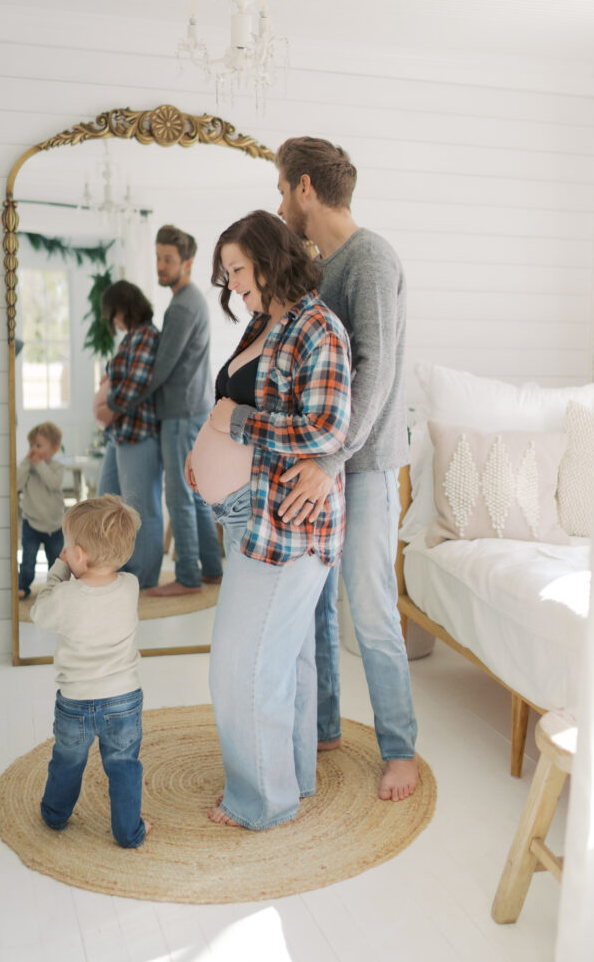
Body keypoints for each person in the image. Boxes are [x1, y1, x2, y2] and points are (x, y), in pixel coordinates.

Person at [186, 209, 351, 830]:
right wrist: (203, 446)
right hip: (248, 516)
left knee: (240, 666)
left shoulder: (318, 328)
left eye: (235, 268)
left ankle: (262, 802)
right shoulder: (263, 322)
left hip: (286, 523)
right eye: (224, 274)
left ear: (268, 255)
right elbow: (229, 398)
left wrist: (232, 425)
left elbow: (325, 429)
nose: (230, 284)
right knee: (286, 659)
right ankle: (295, 779)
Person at [275, 136, 419, 802]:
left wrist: (330, 461)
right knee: (316, 603)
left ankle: (400, 750)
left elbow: (377, 373)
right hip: (322, 467)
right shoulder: (318, 264)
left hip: (358, 468)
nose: (280, 201)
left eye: (282, 188)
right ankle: (325, 724)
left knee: (369, 607)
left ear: (306, 188)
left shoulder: (370, 258)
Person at [31, 494, 151, 849]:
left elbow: (40, 613)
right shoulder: (130, 587)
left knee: (67, 761)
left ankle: (55, 814)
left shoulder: (66, 597)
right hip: (124, 700)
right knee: (124, 765)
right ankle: (129, 832)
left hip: (76, 703)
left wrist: (58, 570)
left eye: (68, 547)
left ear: (78, 555)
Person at [141, 224, 224, 597]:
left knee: (179, 494)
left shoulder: (182, 305)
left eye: (168, 259)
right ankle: (210, 568)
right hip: (192, 408)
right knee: (195, 491)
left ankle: (188, 575)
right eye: (158, 258)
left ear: (187, 263)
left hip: (179, 411)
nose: (161, 265)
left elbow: (162, 366)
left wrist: (127, 397)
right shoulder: (190, 301)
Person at [95, 280, 164, 590]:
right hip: (120, 434)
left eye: (113, 315)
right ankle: (113, 565)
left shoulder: (146, 337)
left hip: (138, 434)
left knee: (141, 508)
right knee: (105, 501)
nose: (114, 323)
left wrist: (107, 406)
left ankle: (144, 578)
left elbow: (135, 386)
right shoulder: (132, 339)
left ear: (123, 308)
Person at [16, 421, 65, 599]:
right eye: (31, 445)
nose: (33, 450)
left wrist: (39, 465)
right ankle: (23, 586)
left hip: (54, 526)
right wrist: (27, 465)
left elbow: (53, 483)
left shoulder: (57, 467)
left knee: (56, 563)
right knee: (28, 562)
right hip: (32, 524)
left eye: (38, 445)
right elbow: (16, 484)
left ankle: (56, 589)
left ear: (54, 449)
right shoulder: (27, 466)